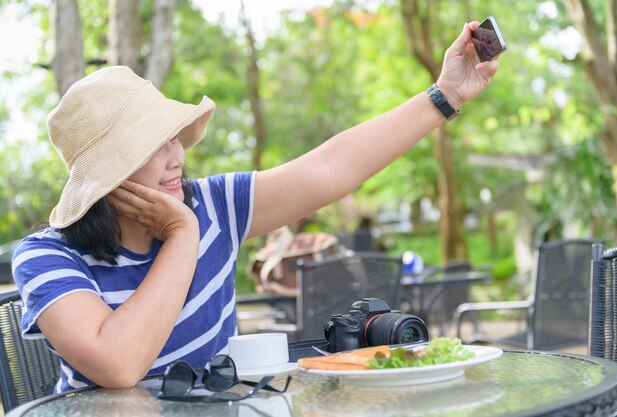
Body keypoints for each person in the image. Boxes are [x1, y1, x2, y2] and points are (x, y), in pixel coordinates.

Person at [12, 21, 498, 393]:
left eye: (174, 139)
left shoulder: (214, 204)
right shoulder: (47, 257)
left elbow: (332, 168)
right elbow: (117, 365)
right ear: (107, 179)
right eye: (151, 148)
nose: (177, 157)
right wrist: (183, 237)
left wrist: (447, 95)